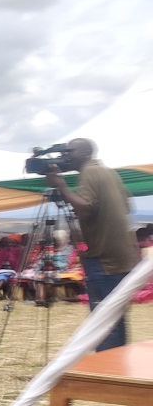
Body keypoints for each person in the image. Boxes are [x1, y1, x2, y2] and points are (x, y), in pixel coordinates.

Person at [45, 138, 140, 351]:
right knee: (115, 316)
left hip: (104, 259)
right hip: (120, 257)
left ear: (86, 154)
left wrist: (61, 186)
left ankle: (108, 369)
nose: (66, 157)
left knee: (103, 320)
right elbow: (126, 206)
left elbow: (86, 209)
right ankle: (118, 364)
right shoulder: (109, 172)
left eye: (71, 152)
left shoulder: (88, 172)